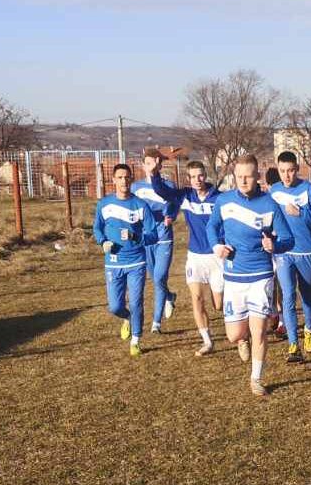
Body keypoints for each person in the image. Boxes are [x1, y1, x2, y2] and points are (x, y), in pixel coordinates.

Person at [207, 154, 294, 396]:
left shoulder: (269, 204)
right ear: (234, 176)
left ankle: (256, 378)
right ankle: (241, 340)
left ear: (257, 176)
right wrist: (216, 246)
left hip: (261, 276)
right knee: (234, 334)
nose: (244, 181)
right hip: (234, 277)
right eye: (239, 177)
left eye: (248, 176)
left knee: (260, 331)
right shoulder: (224, 201)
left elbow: (289, 239)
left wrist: (274, 245)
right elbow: (212, 226)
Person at [153, 160, 225, 356]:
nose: (197, 180)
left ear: (205, 175)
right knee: (197, 298)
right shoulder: (185, 196)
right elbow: (161, 191)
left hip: (216, 257)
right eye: (192, 177)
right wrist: (154, 173)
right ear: (188, 179)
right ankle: (207, 341)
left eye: (200, 175)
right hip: (195, 256)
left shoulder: (219, 198)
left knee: (218, 305)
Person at [92, 163, 157, 356]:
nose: (124, 181)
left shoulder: (140, 205)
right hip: (113, 262)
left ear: (131, 180)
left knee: (136, 302)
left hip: (136, 261)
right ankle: (127, 317)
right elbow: (97, 228)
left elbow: (153, 235)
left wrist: (135, 237)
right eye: (120, 177)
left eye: (127, 177)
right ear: (113, 180)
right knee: (115, 307)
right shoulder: (104, 204)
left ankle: (136, 340)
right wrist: (102, 241)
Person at [269, 151, 311, 362]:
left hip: (306, 251)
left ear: (297, 169)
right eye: (282, 171)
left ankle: (309, 329)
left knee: (306, 294)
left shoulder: (309, 189)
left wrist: (301, 213)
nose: (287, 175)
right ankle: (293, 345)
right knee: (288, 296)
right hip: (283, 251)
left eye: (290, 170)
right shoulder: (274, 191)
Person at [130, 148, 178, 333]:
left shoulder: (169, 185)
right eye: (148, 163)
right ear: (143, 165)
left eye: (155, 163)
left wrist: (171, 216)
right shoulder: (136, 188)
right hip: (146, 238)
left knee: (159, 277)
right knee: (155, 279)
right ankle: (169, 296)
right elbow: (132, 209)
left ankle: (156, 323)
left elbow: (175, 205)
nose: (152, 167)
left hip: (164, 237)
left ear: (160, 165)